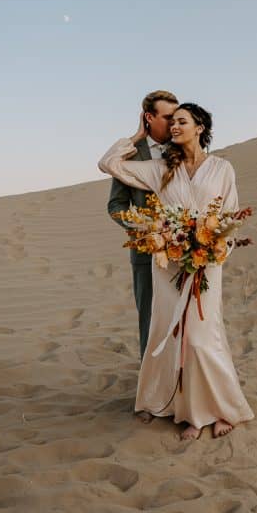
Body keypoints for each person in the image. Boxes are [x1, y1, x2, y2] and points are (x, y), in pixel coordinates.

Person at [99, 103, 255, 440]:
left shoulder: (222, 168)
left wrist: (216, 248)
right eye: (171, 122)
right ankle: (188, 414)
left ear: (200, 127)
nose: (174, 127)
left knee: (202, 336)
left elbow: (229, 216)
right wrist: (137, 136)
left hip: (208, 263)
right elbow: (108, 164)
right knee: (174, 336)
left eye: (181, 121)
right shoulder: (159, 169)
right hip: (168, 263)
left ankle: (220, 408)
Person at [106, 90, 178, 374]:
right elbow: (115, 205)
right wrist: (142, 228)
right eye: (168, 117)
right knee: (150, 320)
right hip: (145, 253)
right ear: (149, 118)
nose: (174, 124)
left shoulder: (182, 148)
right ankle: (150, 394)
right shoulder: (131, 155)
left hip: (182, 250)